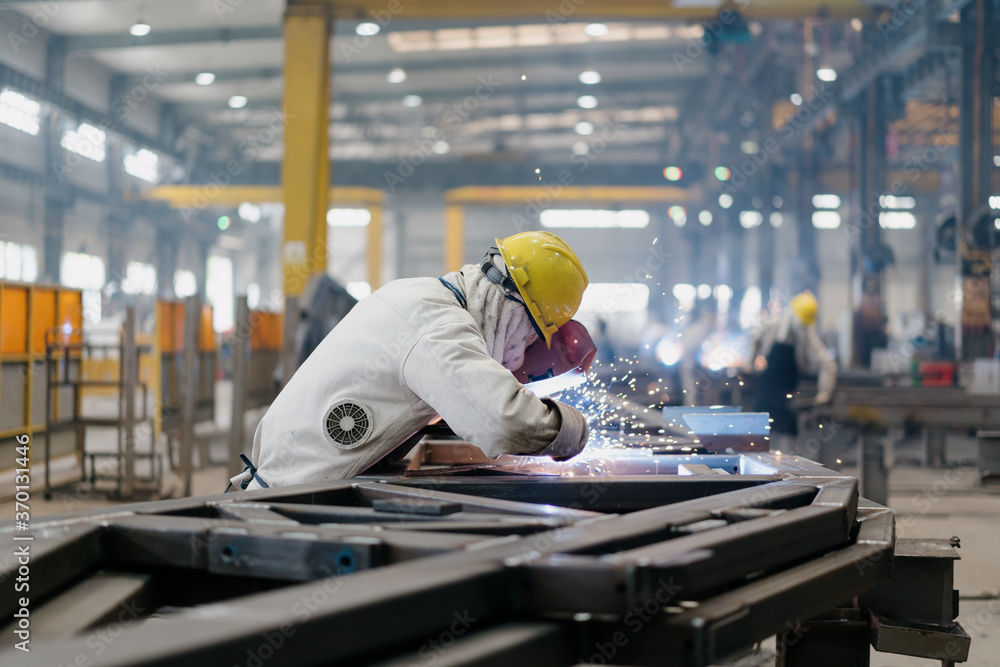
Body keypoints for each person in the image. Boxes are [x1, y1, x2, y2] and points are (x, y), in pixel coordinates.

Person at [229, 231, 592, 490]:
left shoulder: (421, 294)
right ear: (516, 312)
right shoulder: (437, 324)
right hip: (289, 505)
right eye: (531, 339)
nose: (522, 354)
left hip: (290, 487)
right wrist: (572, 430)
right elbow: (502, 422)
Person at [746, 292, 837, 444]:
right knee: (760, 439)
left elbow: (828, 363)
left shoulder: (806, 335)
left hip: (789, 398)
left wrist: (825, 393)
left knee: (785, 447)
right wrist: (749, 363)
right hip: (767, 392)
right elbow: (754, 338)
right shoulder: (773, 327)